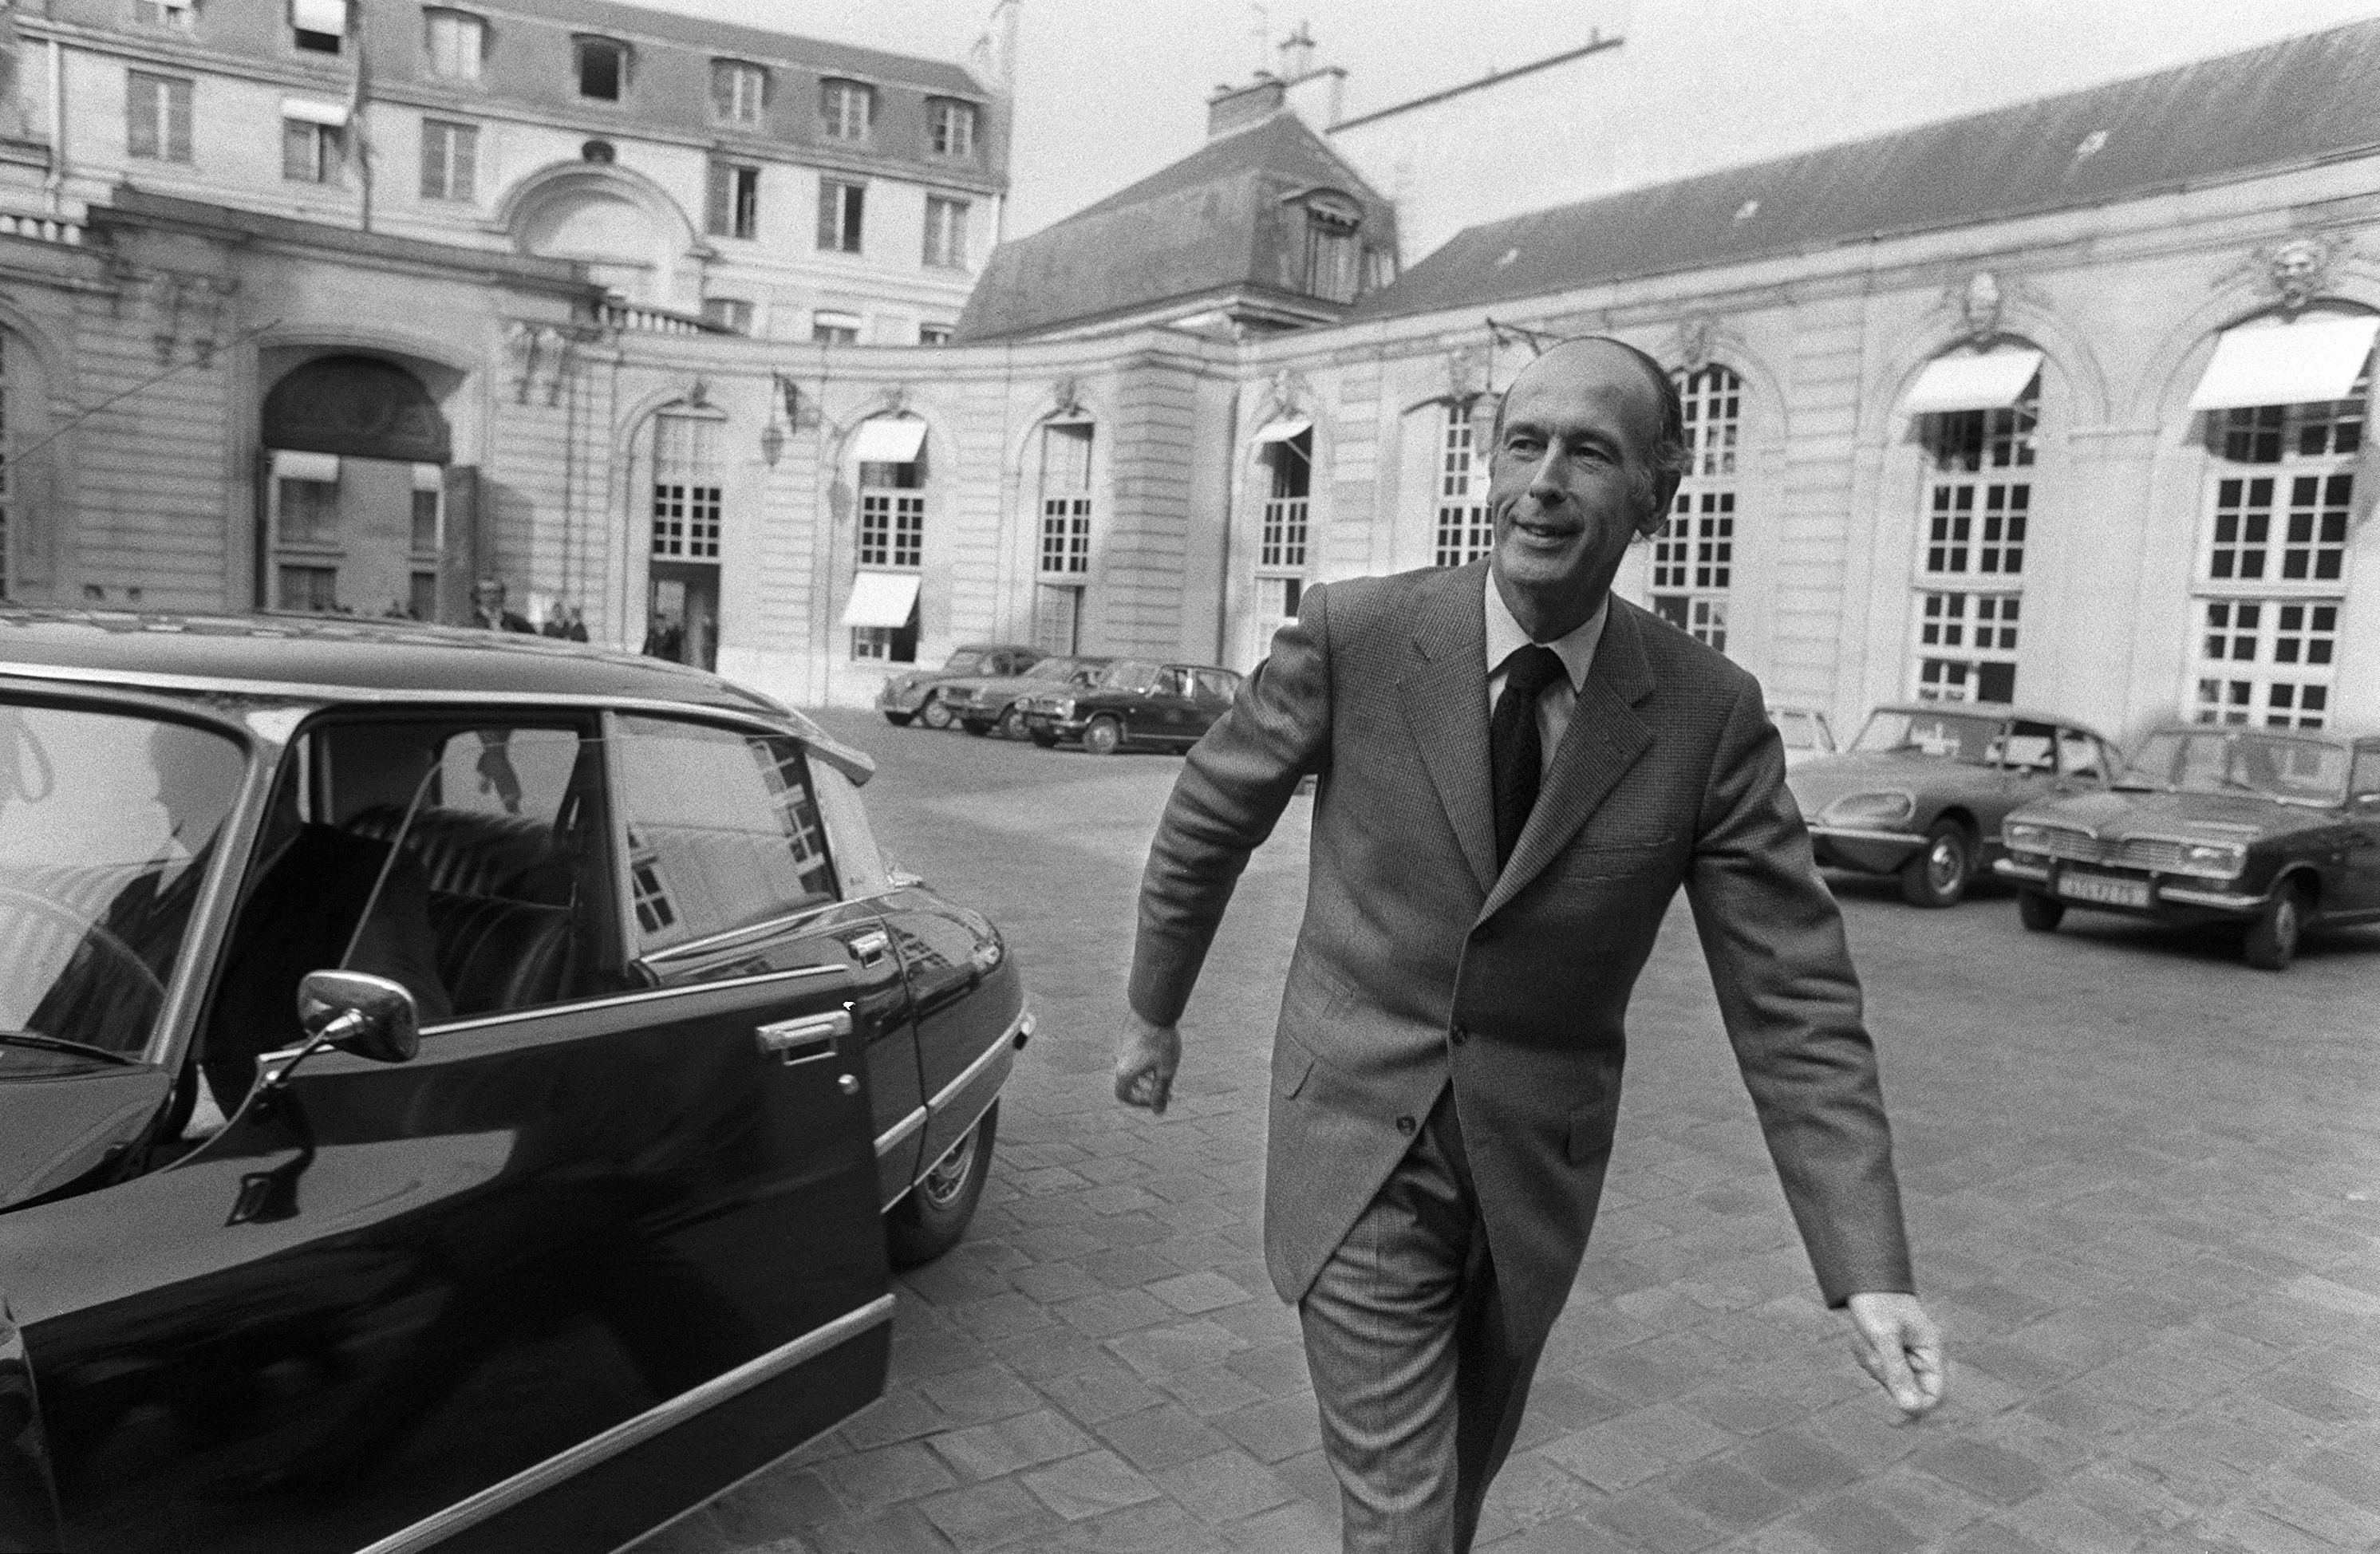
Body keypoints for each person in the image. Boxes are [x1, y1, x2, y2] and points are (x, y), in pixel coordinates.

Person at [1115, 337, 1945, 1553]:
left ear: (1653, 496)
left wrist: (1866, 1266)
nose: (1544, 480)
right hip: (1355, 1136)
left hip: (1528, 1180)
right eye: (1522, 443)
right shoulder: (1356, 632)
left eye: (1589, 453)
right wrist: (1152, 1009)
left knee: (1448, 1500)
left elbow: (1792, 999)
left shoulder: (1706, 717)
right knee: (1399, 1519)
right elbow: (1208, 816)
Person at [470, 578, 534, 633]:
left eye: (496, 592)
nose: (492, 596)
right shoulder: (469, 621)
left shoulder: (518, 622)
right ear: (478, 595)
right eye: (486, 592)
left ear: (502, 595)